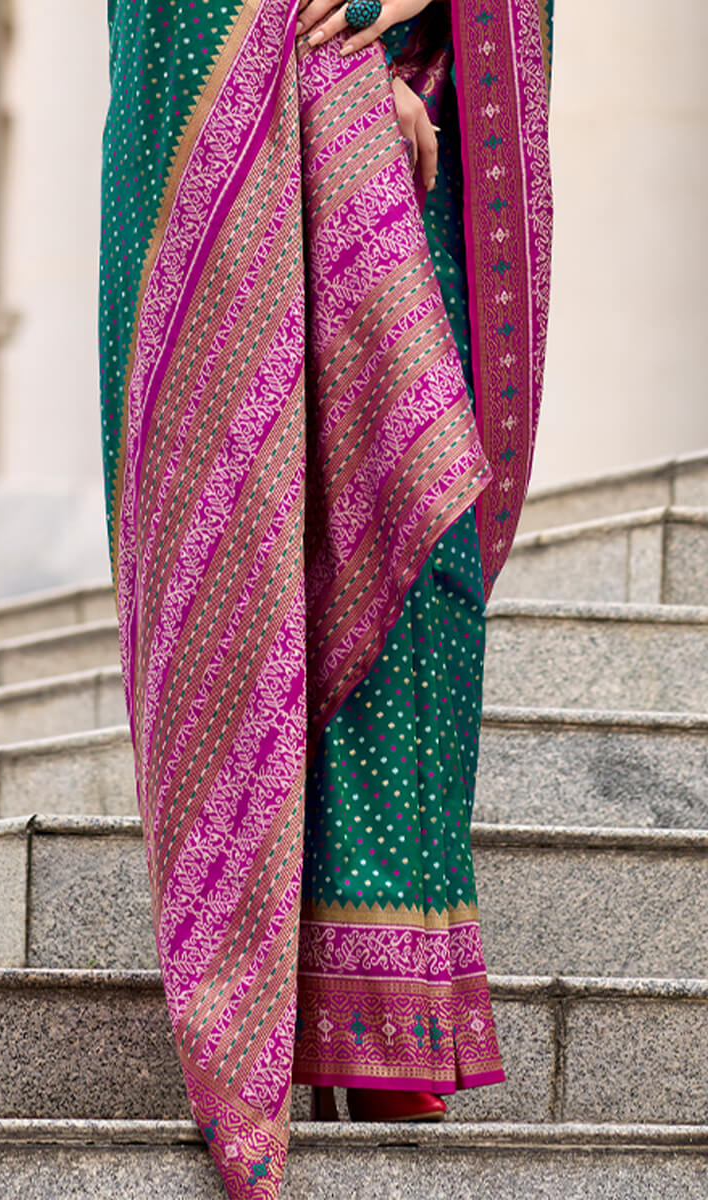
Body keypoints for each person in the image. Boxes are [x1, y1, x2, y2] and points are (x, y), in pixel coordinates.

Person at [98, 1, 553, 1196]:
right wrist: (324, 78)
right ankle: (274, 1006)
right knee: (266, 519)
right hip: (270, 104)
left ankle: (387, 1007)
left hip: (424, 118)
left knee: (416, 538)